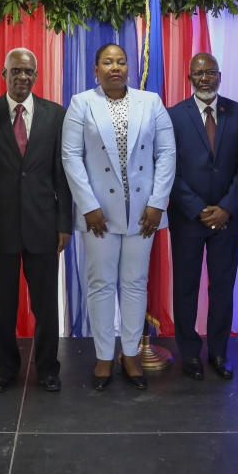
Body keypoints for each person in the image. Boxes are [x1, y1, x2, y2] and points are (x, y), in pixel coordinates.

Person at [61, 43, 176, 391]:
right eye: (108, 62)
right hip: (99, 214)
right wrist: (88, 206)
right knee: (100, 284)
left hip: (144, 214)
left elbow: (167, 153)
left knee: (134, 282)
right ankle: (103, 357)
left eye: (121, 61)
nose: (116, 67)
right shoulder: (82, 104)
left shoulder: (151, 102)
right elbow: (71, 156)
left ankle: (129, 354)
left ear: (128, 68)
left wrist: (157, 203)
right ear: (96, 70)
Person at [0, 48, 72, 393]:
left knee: (46, 305)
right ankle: (4, 369)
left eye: (28, 72)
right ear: (3, 74)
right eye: (16, 71)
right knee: (1, 305)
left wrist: (64, 223)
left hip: (43, 226)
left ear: (36, 76)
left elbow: (62, 174)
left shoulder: (55, 115)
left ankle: (48, 368)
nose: (22, 77)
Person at [167, 52, 238, 380]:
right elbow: (168, 167)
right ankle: (189, 353)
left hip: (227, 219)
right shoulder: (173, 115)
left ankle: (218, 351)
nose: (205, 78)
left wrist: (227, 207)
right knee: (186, 287)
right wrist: (198, 208)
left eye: (211, 72)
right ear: (189, 77)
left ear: (220, 75)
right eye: (199, 73)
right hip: (189, 218)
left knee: (222, 287)